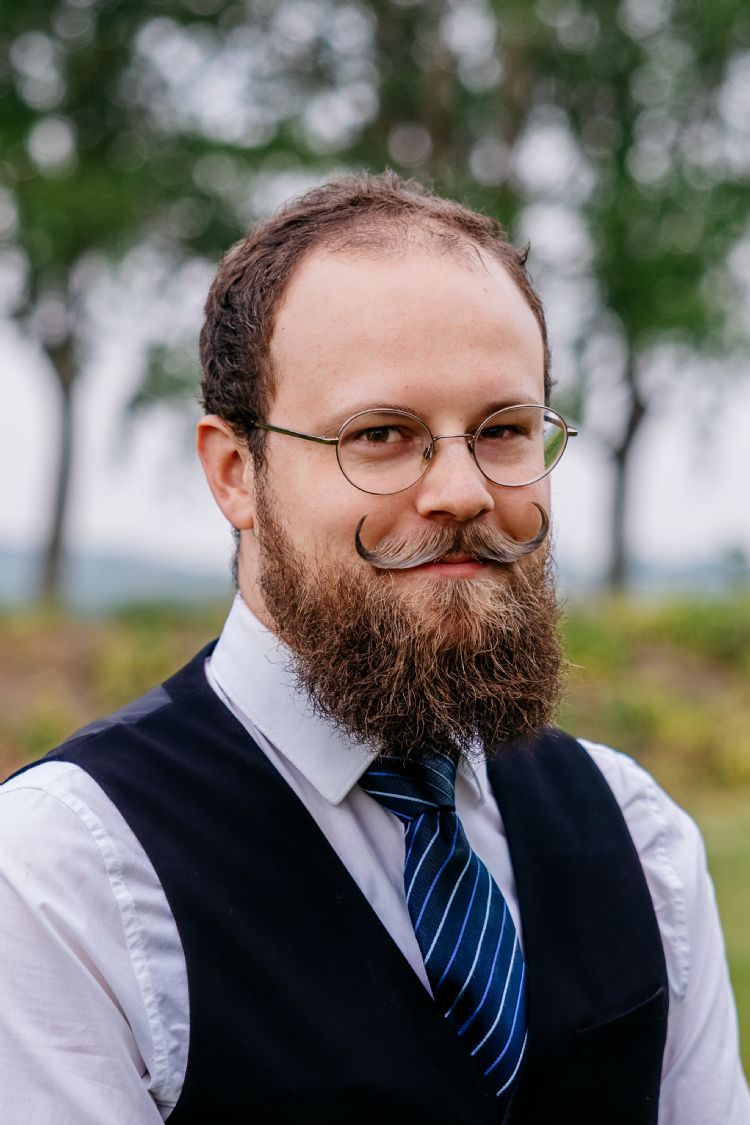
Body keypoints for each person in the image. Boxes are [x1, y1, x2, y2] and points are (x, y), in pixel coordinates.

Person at [0, 172, 747, 1125]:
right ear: (236, 473)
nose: (464, 490)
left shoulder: (642, 838)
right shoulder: (64, 879)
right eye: (383, 434)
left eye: (504, 430)